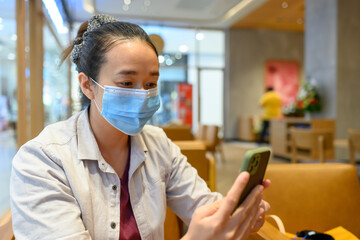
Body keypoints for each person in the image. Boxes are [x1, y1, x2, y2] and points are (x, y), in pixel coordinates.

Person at [10, 14, 270, 240]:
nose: (143, 95)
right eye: (126, 83)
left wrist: (235, 213)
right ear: (88, 85)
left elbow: (203, 204)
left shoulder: (158, 144)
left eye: (150, 84)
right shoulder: (43, 161)